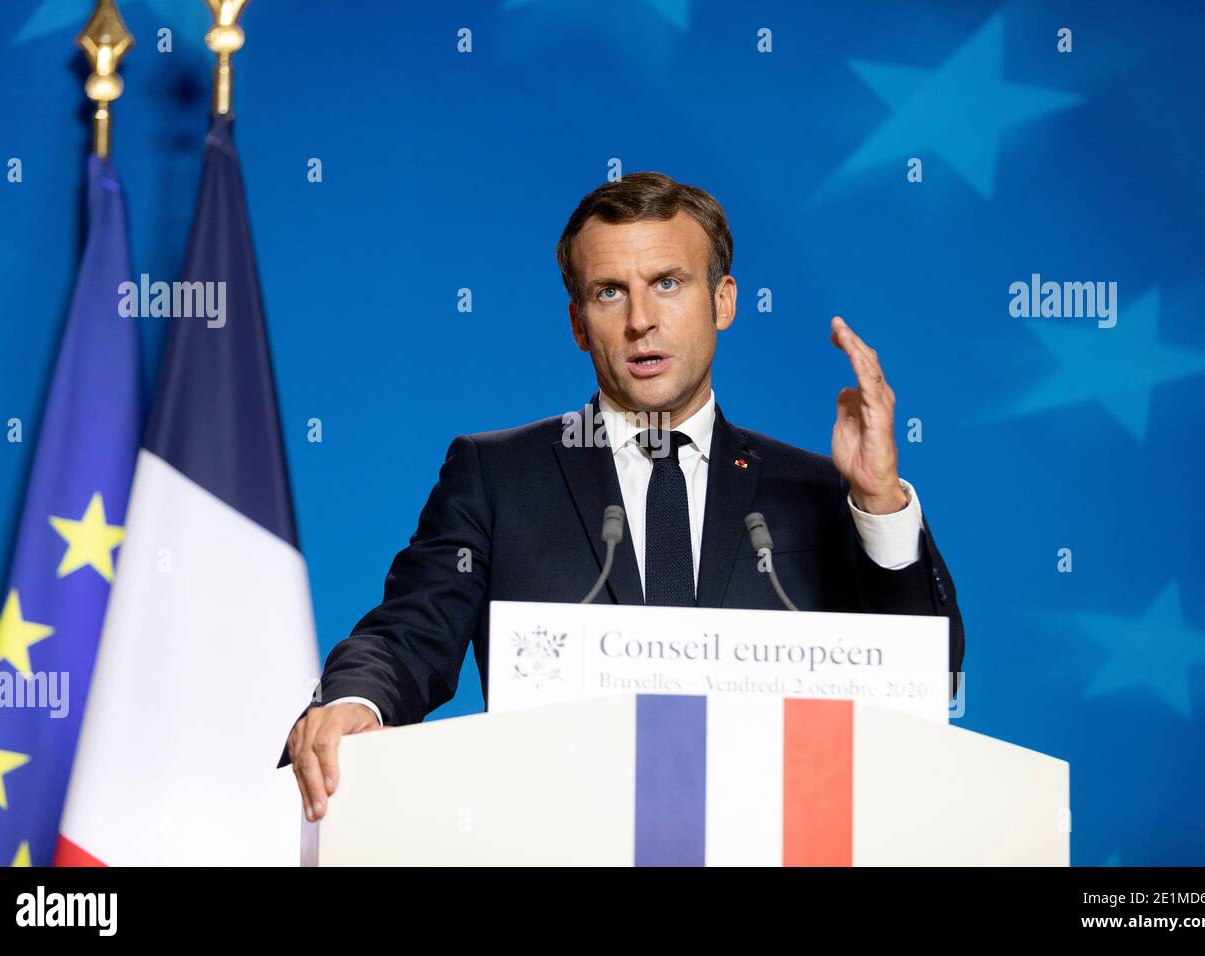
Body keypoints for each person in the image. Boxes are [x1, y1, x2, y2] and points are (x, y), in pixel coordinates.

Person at [282, 172, 964, 823]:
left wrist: (878, 504)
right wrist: (356, 701)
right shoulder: (496, 475)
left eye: (668, 283)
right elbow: (408, 634)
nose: (641, 320)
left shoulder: (817, 491)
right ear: (579, 323)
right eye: (609, 292)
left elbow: (931, 674)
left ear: (723, 301)